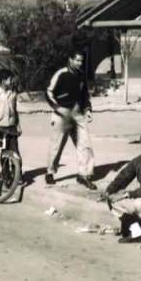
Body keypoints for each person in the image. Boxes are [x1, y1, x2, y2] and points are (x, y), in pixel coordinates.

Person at [45, 50, 96, 190]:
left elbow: (85, 94)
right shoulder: (61, 74)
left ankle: (83, 175)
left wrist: (88, 109)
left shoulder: (81, 75)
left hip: (78, 113)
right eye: (77, 60)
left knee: (85, 144)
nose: (80, 63)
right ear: (70, 60)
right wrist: (57, 107)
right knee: (57, 145)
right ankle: (50, 172)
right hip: (62, 112)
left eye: (81, 61)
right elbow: (49, 92)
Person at [0, 68, 23, 178]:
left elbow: (15, 111)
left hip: (12, 128)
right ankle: (6, 177)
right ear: (3, 81)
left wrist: (18, 126)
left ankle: (18, 175)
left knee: (15, 153)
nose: (12, 81)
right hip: (0, 129)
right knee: (4, 155)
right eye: (9, 79)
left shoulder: (13, 94)